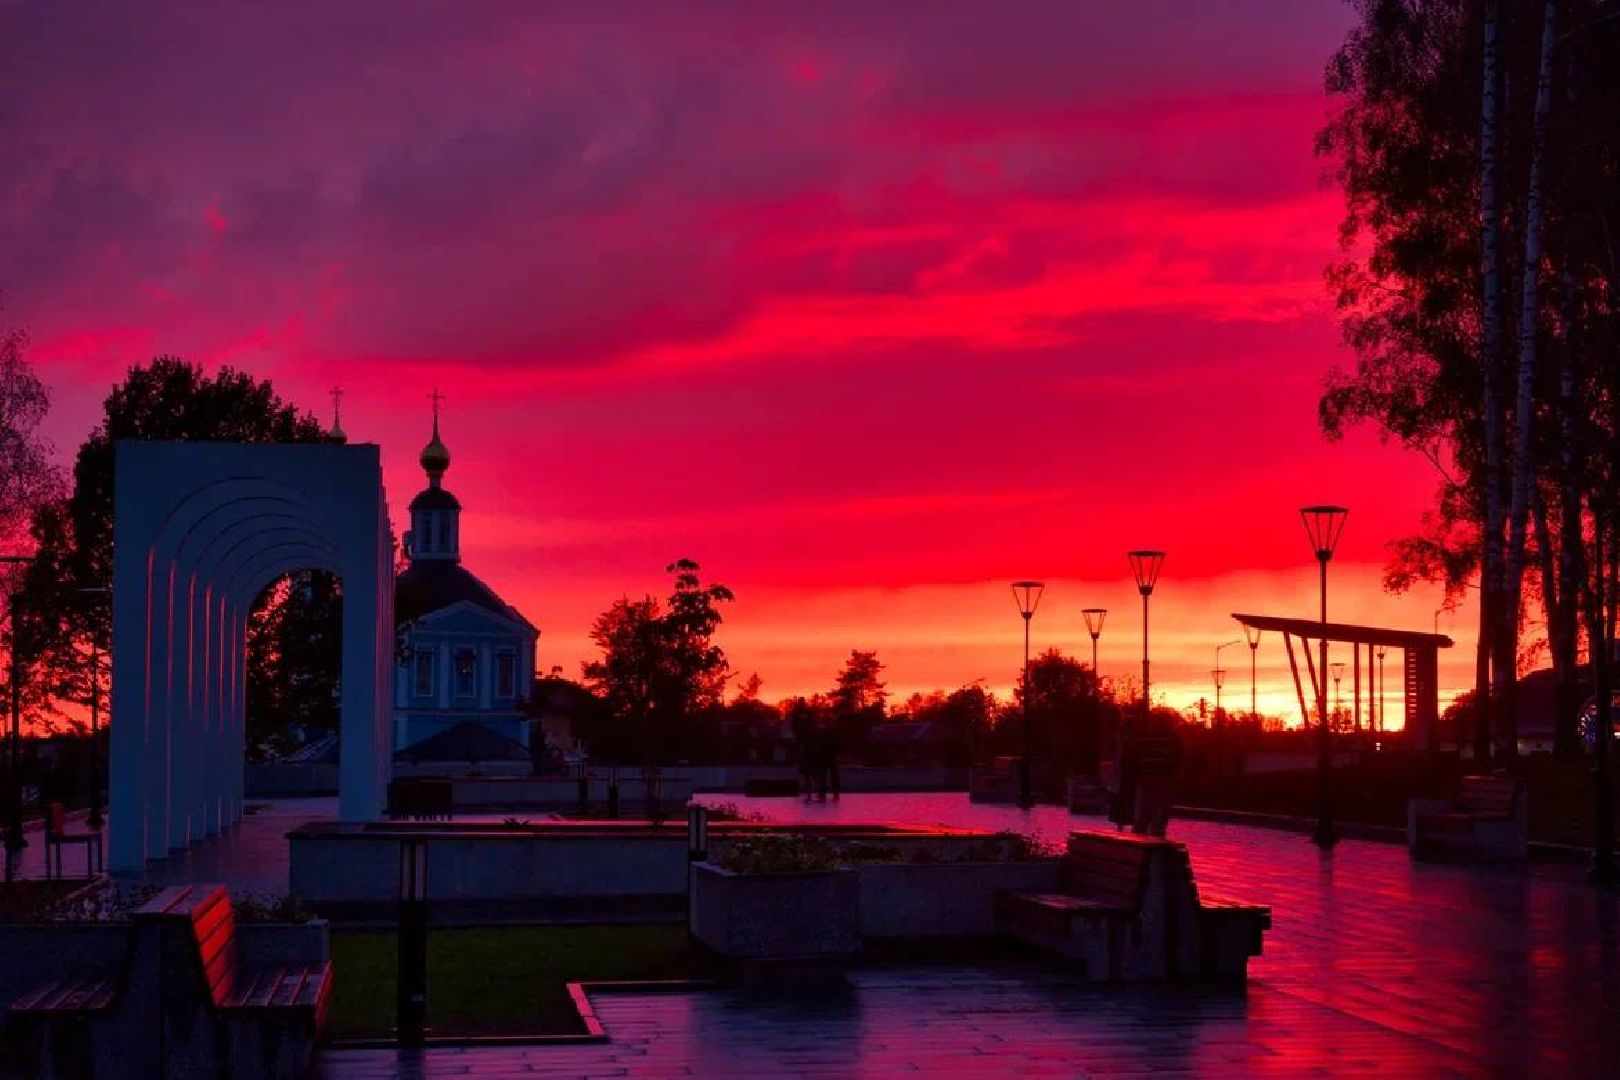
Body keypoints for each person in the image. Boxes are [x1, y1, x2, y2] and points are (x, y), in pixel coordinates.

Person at [1127, 712, 1183, 837]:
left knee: (1141, 820)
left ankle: (1138, 849)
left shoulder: (1143, 737)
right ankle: (1156, 849)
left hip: (1144, 781)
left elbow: (1132, 757)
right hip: (1164, 782)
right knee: (1159, 820)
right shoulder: (1173, 738)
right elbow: (1179, 759)